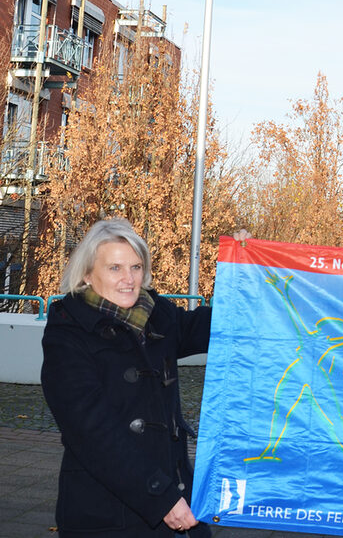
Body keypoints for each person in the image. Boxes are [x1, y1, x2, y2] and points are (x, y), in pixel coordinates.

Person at [41, 218, 213, 537]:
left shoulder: (155, 313)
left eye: (135, 267)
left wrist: (246, 265)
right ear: (88, 274)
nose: (129, 279)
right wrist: (160, 497)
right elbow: (93, 434)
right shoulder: (67, 335)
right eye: (115, 268)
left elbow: (215, 326)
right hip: (108, 515)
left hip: (176, 500)